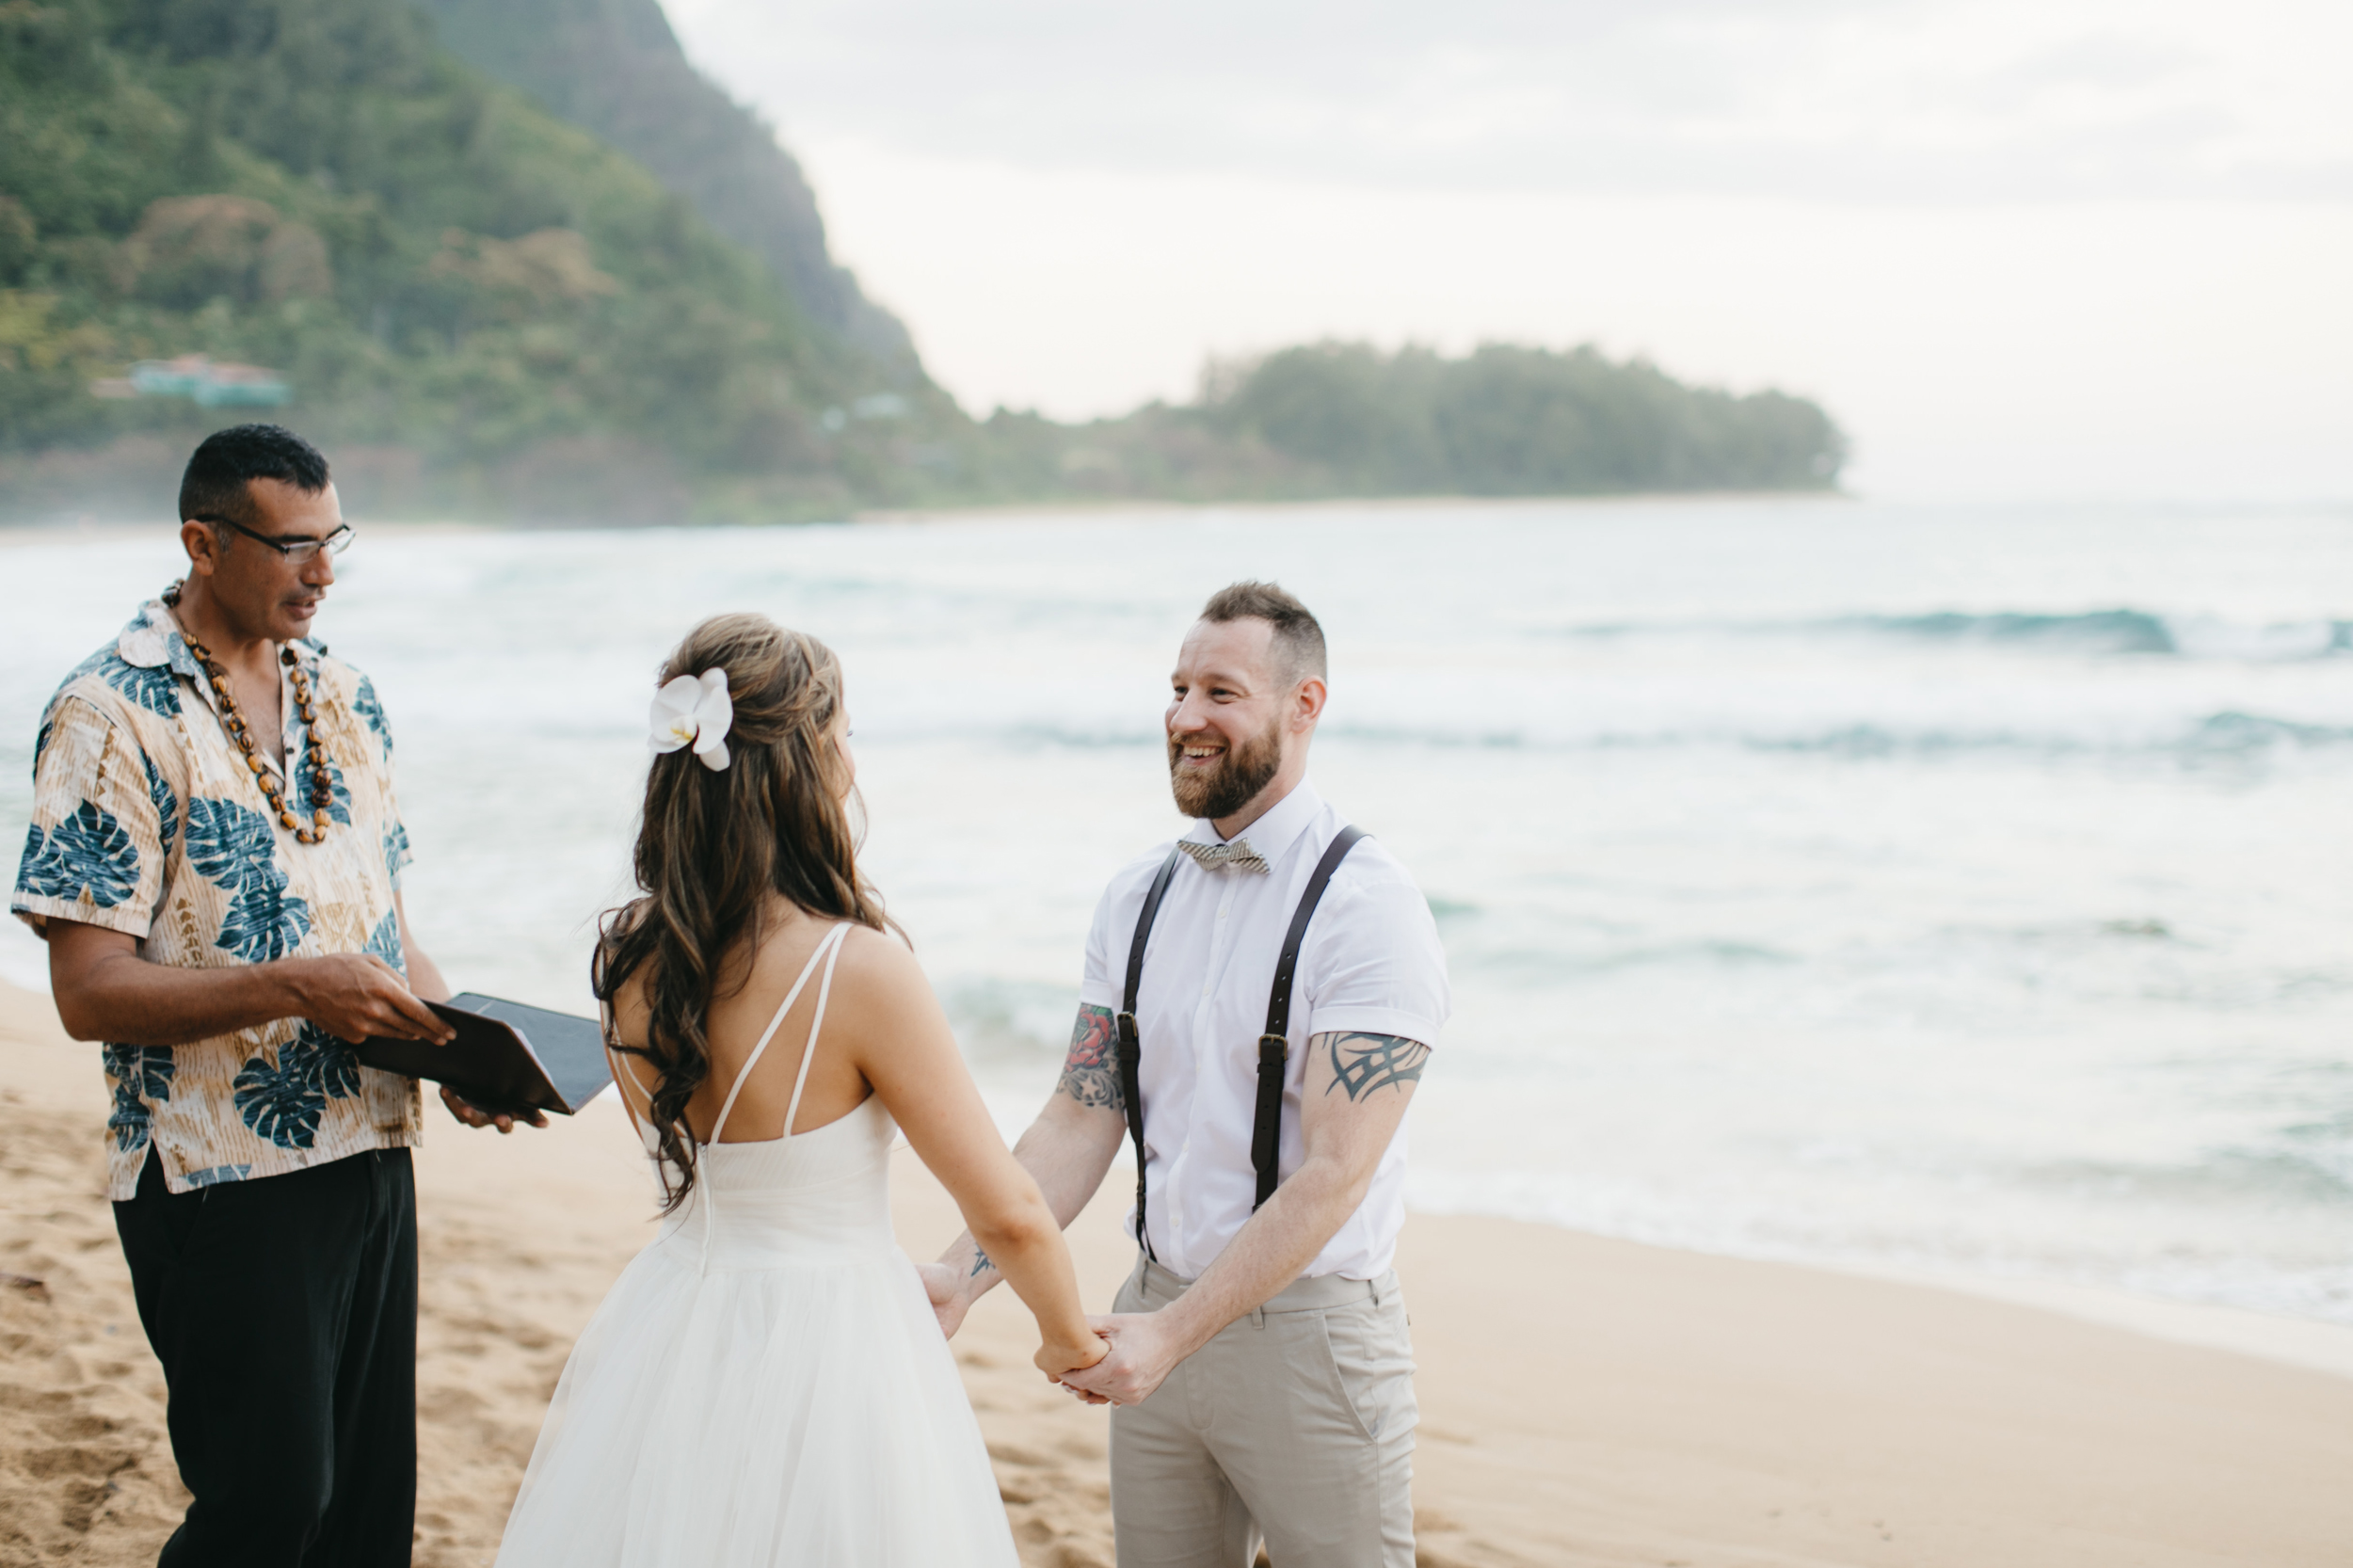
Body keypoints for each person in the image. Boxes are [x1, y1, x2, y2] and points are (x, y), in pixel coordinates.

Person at [12, 424, 529, 1568]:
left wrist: (458, 1053)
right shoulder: (108, 713)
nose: (324, 572)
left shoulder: (347, 694)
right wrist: (292, 987)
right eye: (293, 546)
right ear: (202, 541)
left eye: (332, 539)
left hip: (371, 1151)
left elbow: (388, 927)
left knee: (362, 1521)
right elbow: (88, 992)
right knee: (266, 1507)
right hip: (217, 1170)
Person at [492, 612, 1106, 1567]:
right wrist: (1069, 1339)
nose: (853, 758)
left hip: (678, 1318)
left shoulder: (626, 954)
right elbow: (1009, 1210)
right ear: (807, 760)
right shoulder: (857, 968)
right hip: (834, 1337)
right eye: (845, 733)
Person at [921, 581, 1450, 1568]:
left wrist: (1175, 1334)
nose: (1184, 718)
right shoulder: (1136, 896)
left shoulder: (1367, 907)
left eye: (1220, 692)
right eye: (1176, 689)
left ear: (1304, 706)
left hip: (1309, 1340)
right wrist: (962, 1274)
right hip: (1148, 1303)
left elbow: (1335, 1174)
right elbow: (1080, 1118)